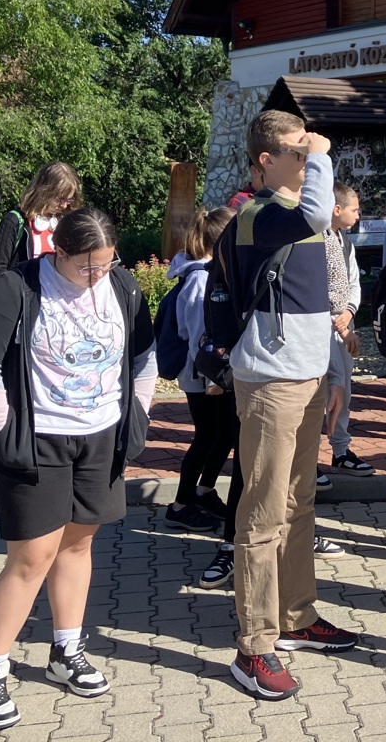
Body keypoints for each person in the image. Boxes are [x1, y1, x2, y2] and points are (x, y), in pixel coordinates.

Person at [0, 208, 157, 730]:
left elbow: (144, 355)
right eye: (86, 267)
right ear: (59, 253)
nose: (96, 276)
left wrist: (138, 415)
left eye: (105, 264)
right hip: (36, 439)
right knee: (32, 557)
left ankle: (66, 650)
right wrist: (1, 427)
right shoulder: (17, 287)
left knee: (77, 545)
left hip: (100, 437)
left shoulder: (123, 286)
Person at [218, 110, 357, 701]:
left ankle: (296, 616)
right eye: (296, 152)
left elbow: (321, 295)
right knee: (263, 513)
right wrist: (322, 154)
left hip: (306, 376)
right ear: (265, 161)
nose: (307, 159)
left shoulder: (297, 215)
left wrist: (329, 374)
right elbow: (317, 214)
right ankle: (254, 647)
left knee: (298, 504)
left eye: (308, 152)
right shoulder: (256, 215)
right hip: (271, 383)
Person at [164, 207, 237, 535]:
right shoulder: (200, 279)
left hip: (214, 374)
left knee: (224, 434)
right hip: (202, 376)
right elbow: (196, 333)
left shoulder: (212, 272)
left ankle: (204, 491)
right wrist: (211, 379)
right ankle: (180, 505)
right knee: (207, 436)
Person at [325, 183, 369, 477]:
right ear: (337, 209)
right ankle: (306, 458)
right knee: (325, 390)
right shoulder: (317, 239)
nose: (358, 214)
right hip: (323, 327)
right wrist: (337, 322)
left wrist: (349, 312)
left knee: (343, 389)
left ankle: (340, 450)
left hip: (343, 324)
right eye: (354, 209)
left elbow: (353, 282)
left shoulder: (346, 243)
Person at [0, 162, 82, 282]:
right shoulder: (14, 221)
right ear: (44, 191)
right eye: (60, 199)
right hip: (19, 292)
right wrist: (20, 289)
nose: (64, 205)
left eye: (69, 200)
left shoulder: (63, 223)